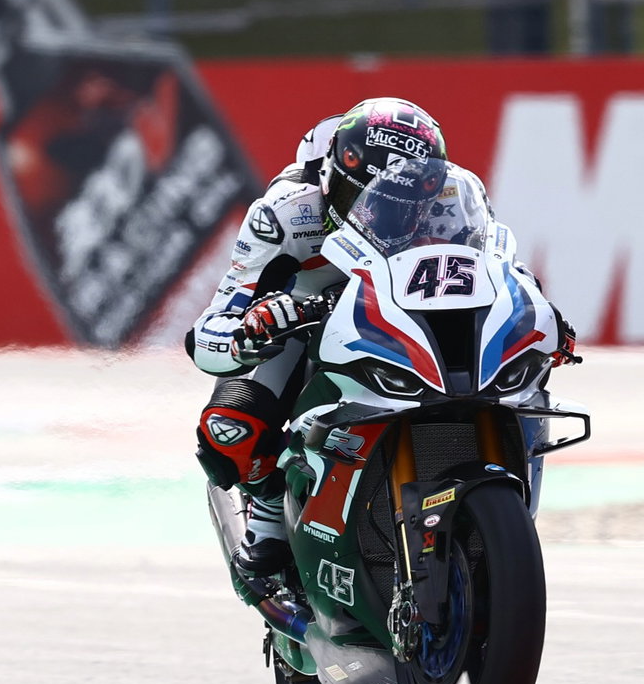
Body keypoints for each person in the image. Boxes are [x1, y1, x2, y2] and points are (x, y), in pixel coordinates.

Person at [184, 97, 577, 587]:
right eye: (365, 198)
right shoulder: (285, 211)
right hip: (306, 321)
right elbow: (218, 316)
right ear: (331, 177)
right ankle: (268, 508)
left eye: (402, 204)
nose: (383, 214)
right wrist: (250, 329)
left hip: (401, 317)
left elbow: (500, 269)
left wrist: (539, 311)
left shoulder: (451, 202)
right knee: (229, 428)